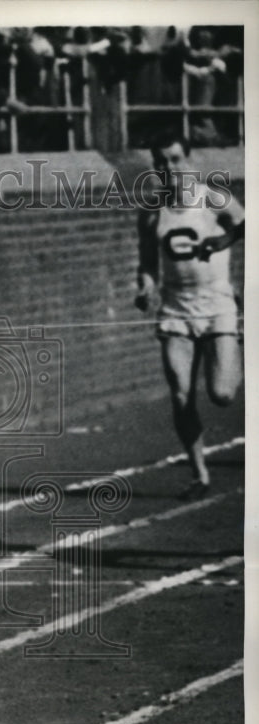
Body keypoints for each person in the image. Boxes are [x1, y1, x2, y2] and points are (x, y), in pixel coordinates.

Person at [135, 134, 244, 498]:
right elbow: (148, 263)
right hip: (176, 309)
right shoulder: (152, 211)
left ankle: (239, 344)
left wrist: (222, 242)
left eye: (176, 159)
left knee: (223, 394)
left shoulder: (211, 198)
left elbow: (245, 224)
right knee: (181, 395)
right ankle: (199, 474)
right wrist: (145, 287)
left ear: (190, 160)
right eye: (162, 162)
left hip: (216, 306)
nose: (170, 168)